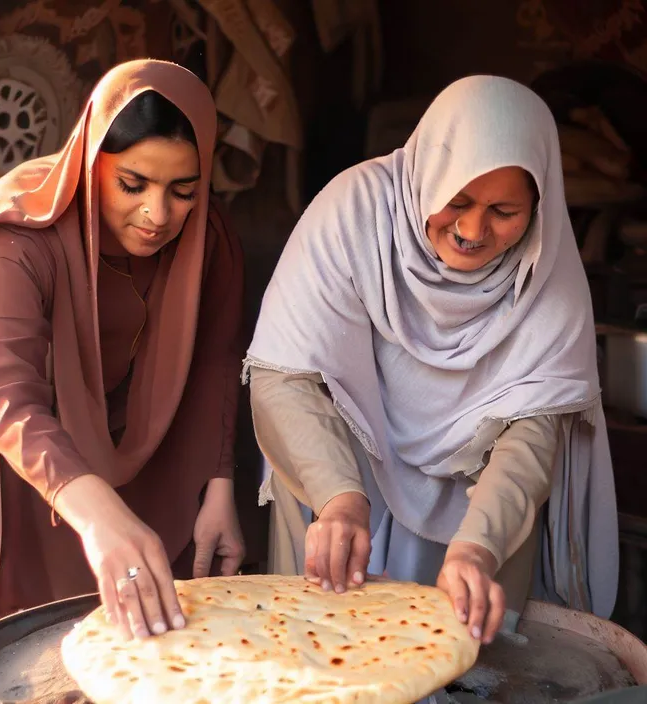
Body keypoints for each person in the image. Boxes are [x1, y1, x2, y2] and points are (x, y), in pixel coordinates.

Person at [244, 75, 618, 648]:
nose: (471, 231)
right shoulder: (354, 213)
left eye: (504, 211)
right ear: (425, 173)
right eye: (457, 201)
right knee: (323, 660)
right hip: (341, 477)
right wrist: (340, 501)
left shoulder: (550, 269)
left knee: (469, 667)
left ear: (539, 205)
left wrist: (478, 546)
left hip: (481, 506)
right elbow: (283, 376)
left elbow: (533, 431)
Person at [0, 59, 245, 656]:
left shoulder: (206, 237)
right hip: (33, 465)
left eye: (183, 190)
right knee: (36, 649)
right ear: (89, 161)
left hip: (153, 452)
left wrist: (220, 485)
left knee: (165, 652)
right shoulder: (16, 238)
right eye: (132, 185)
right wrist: (100, 515)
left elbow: (215, 360)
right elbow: (5, 392)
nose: (158, 216)